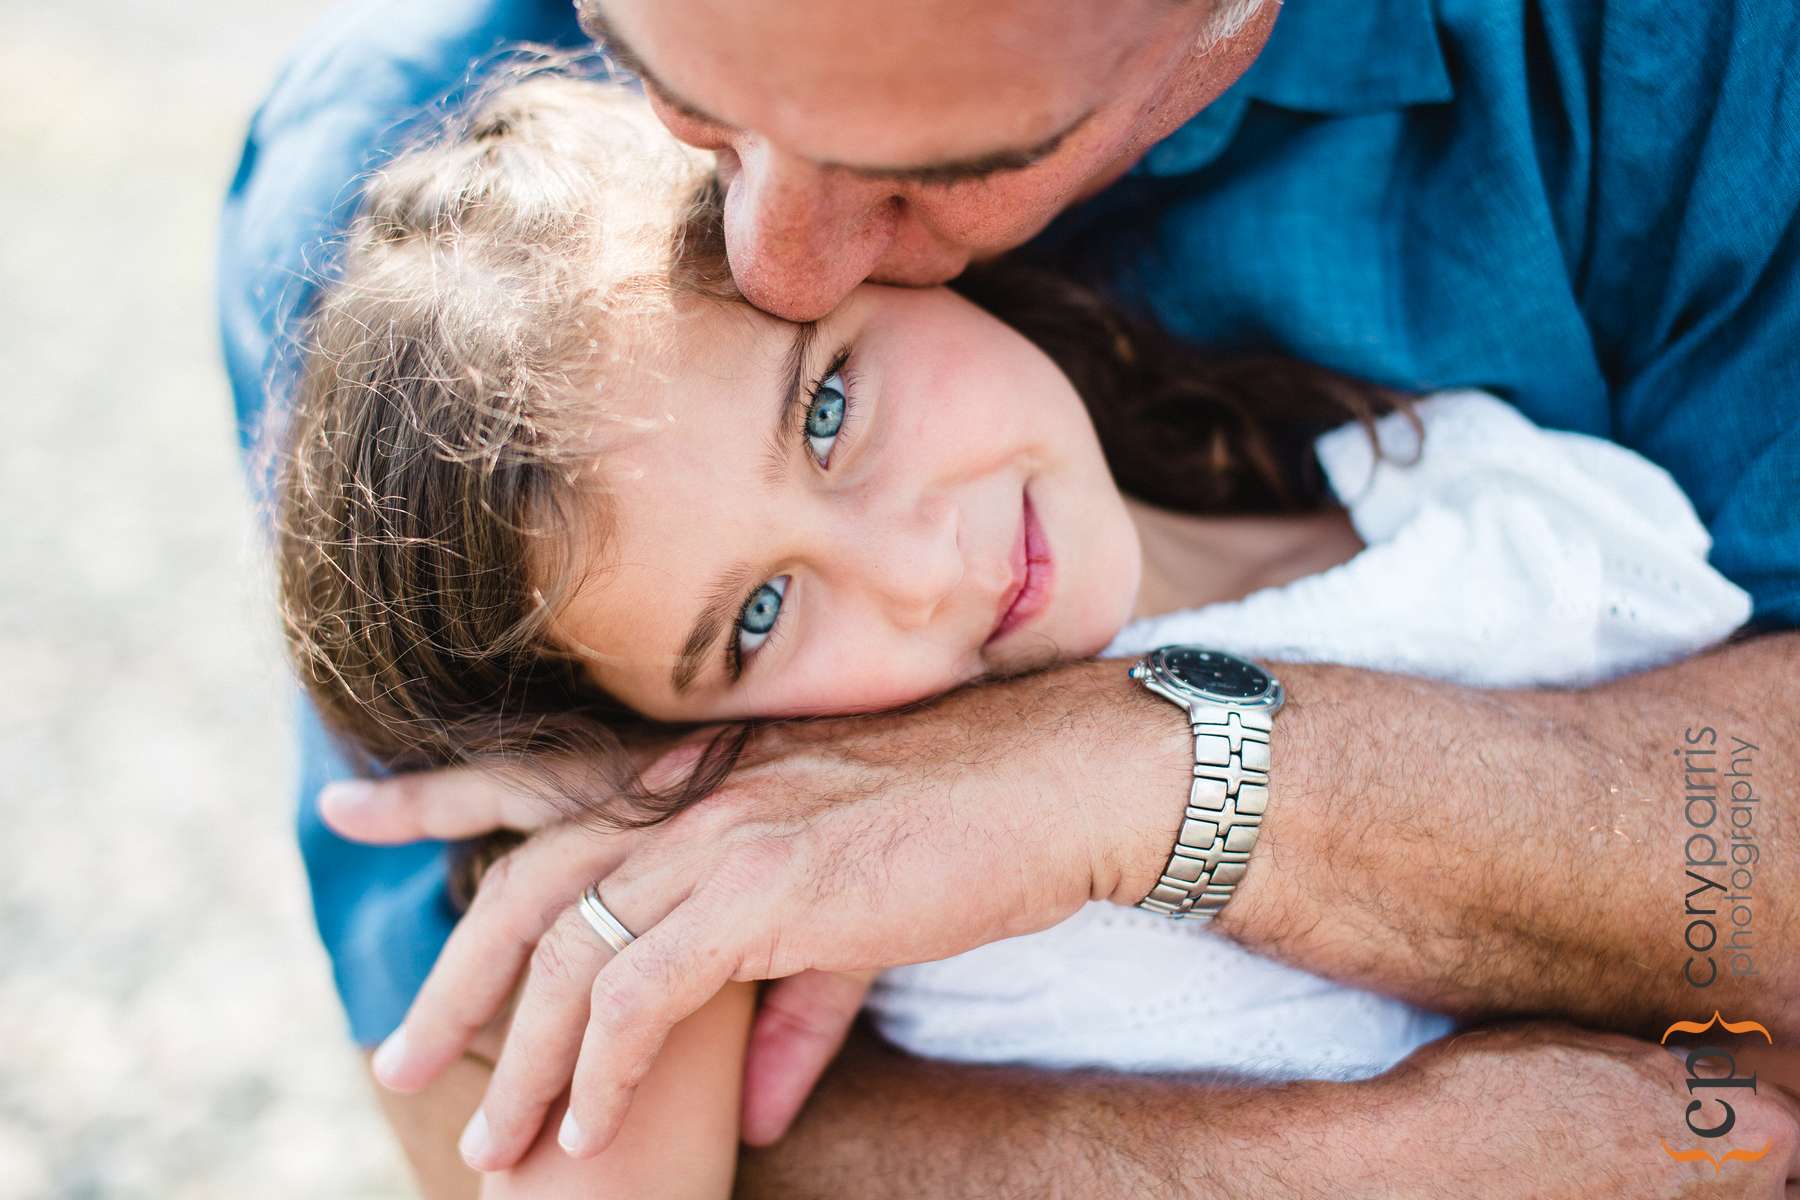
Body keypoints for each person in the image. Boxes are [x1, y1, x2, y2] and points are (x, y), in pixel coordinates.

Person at [219, 0, 1800, 1194]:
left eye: (939, 166)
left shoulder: (1465, 488)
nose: (780, 259)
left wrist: (1139, 778)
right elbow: (524, 1094)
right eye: (689, 103)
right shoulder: (420, 223)